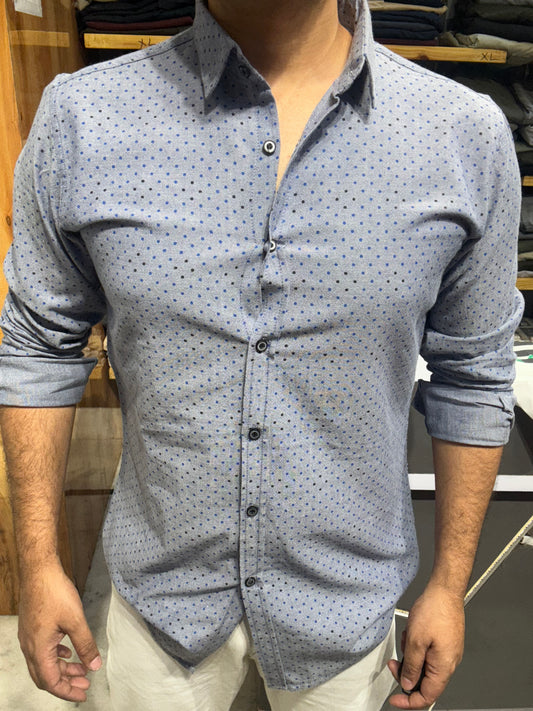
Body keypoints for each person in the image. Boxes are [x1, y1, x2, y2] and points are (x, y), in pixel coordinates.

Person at [0, 0, 524, 709]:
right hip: (160, 603)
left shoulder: (462, 134)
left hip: (345, 608)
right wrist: (38, 564)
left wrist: (449, 584)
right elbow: (38, 348)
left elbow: (475, 375)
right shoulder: (83, 118)